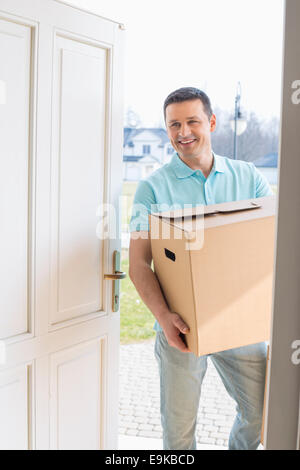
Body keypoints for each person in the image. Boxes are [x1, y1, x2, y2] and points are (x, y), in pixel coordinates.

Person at [128, 87, 273, 450]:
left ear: (210, 122)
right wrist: (164, 318)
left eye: (192, 121)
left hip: (239, 322)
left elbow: (269, 244)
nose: (183, 132)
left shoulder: (249, 177)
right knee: (178, 434)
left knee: (261, 413)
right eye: (174, 124)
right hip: (181, 326)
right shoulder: (152, 188)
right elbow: (137, 264)